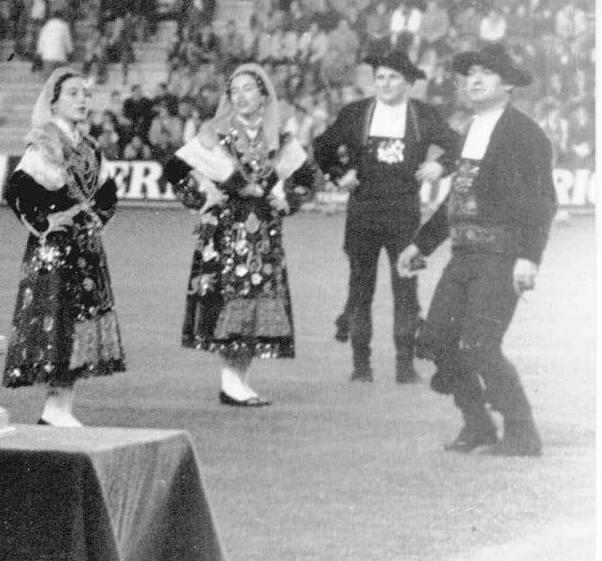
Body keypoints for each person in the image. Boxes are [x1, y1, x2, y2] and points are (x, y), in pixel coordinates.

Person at [397, 43, 557, 457]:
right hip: (464, 256)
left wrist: (529, 257)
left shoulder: (525, 133)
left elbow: (543, 201)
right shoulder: (469, 130)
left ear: (506, 83)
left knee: (481, 345)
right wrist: (420, 244)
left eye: (486, 73)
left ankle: (523, 434)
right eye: (470, 74)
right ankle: (478, 425)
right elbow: (457, 196)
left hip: (502, 256)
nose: (476, 80)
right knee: (437, 340)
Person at [161, 62, 313, 407]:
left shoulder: (279, 138)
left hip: (263, 233)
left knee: (255, 304)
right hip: (225, 233)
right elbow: (174, 168)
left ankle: (238, 381)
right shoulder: (216, 134)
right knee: (232, 301)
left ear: (263, 94)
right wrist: (203, 197)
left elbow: (307, 177)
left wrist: (285, 200)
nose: (241, 96)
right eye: (234, 91)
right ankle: (231, 383)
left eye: (248, 89)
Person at [312, 50, 461, 383]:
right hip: (363, 212)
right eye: (380, 77)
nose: (386, 83)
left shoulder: (423, 114)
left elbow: (459, 146)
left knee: (406, 289)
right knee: (360, 288)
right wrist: (339, 174)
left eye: (393, 78)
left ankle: (405, 367)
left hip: (404, 213)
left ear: (408, 83)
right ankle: (361, 367)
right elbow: (321, 146)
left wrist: (441, 165)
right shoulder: (355, 113)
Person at [3, 67, 125, 427]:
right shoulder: (44, 144)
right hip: (56, 253)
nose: (82, 101)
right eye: (73, 94)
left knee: (79, 321)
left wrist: (96, 221)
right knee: (61, 322)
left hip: (84, 250)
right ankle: (55, 409)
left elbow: (108, 193)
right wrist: (44, 224)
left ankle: (60, 408)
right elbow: (17, 190)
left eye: (85, 94)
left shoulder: (89, 148)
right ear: (53, 101)